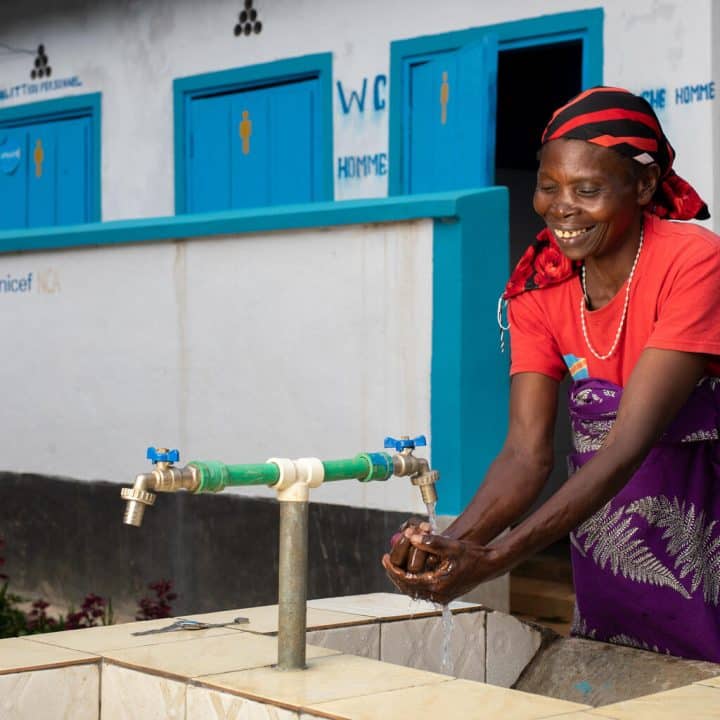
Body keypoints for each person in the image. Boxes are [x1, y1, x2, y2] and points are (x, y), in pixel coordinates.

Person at [383, 86, 720, 663]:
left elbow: (626, 445)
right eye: (549, 186)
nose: (561, 208)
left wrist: (498, 559)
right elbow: (525, 455)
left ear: (642, 186)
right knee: (614, 675)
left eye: (588, 190)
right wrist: (450, 546)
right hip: (610, 544)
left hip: (701, 529)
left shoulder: (693, 263)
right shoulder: (540, 290)